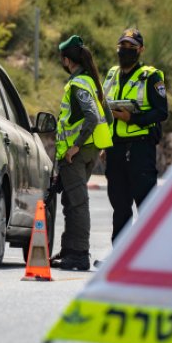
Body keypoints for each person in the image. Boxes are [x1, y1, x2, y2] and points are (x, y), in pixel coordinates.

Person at [50, 35, 113, 271]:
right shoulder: (91, 82)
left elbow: (93, 117)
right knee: (71, 200)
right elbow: (107, 117)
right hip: (90, 151)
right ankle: (69, 250)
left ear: (67, 60)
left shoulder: (78, 84)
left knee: (77, 203)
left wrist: (76, 145)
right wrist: (98, 146)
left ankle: (79, 255)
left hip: (76, 153)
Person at [103, 28, 168, 246]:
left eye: (131, 47)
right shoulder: (112, 74)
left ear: (141, 50)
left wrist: (132, 118)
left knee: (146, 206)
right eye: (122, 46)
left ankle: (152, 255)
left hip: (140, 149)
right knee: (120, 207)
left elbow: (161, 112)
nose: (125, 50)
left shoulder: (150, 76)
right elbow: (103, 110)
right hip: (115, 149)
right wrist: (104, 144)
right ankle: (119, 256)